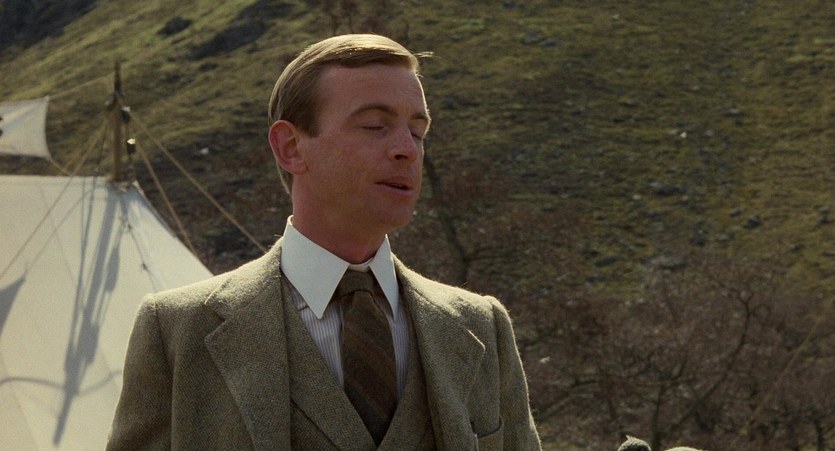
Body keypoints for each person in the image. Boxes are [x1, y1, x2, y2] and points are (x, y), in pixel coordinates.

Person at [107, 34, 541, 450]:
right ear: (291, 147)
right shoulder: (178, 332)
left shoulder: (480, 327)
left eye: (418, 132)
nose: (407, 149)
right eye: (374, 125)